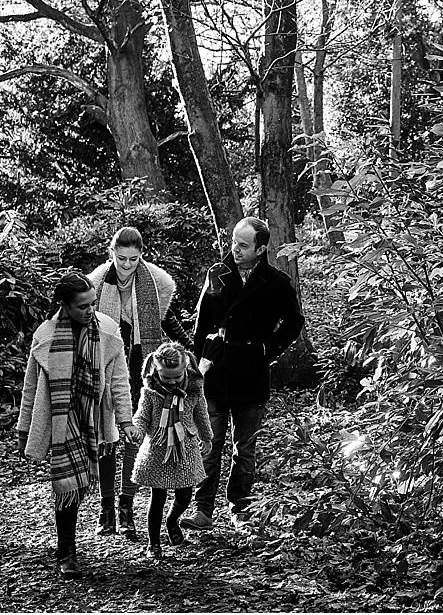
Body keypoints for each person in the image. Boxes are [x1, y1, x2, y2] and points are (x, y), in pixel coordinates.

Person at [181, 216, 305, 530]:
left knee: (244, 449)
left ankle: (240, 509)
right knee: (209, 443)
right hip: (217, 370)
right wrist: (197, 366)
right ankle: (203, 510)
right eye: (234, 242)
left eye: (243, 245)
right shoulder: (218, 274)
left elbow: (294, 322)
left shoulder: (276, 282)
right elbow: (202, 324)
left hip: (252, 371)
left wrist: (269, 349)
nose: (235, 249)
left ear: (261, 248)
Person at [16, 271, 139, 579]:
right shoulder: (45, 335)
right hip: (61, 420)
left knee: (81, 483)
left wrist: (125, 420)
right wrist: (24, 428)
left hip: (95, 419)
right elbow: (31, 386)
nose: (89, 311)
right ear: (65, 305)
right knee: (66, 484)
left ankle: (73, 540)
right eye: (82, 306)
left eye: (92, 304)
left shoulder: (108, 332)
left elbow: (121, 381)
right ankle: (66, 551)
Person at [87, 226, 190, 541]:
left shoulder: (155, 284)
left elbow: (166, 321)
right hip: (106, 364)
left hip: (140, 363)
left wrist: (192, 352)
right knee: (107, 433)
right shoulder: (95, 284)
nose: (127, 265)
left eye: (133, 259)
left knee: (133, 434)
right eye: (121, 259)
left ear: (141, 256)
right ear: (111, 254)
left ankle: (126, 504)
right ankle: (106, 506)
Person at [130, 342, 213, 559]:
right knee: (157, 497)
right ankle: (153, 543)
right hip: (158, 450)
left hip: (185, 449)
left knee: (185, 495)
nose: (172, 381)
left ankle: (172, 519)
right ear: (155, 371)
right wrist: (136, 429)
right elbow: (142, 416)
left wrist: (207, 436)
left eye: (177, 377)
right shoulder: (150, 392)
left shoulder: (194, 391)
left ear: (185, 368)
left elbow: (201, 414)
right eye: (166, 378)